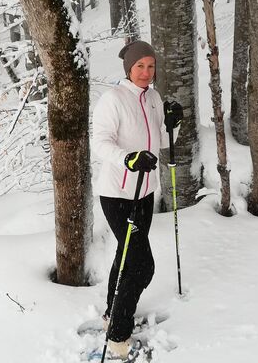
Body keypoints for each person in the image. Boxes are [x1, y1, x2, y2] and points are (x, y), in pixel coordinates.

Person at [91, 40, 182, 359]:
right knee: (142, 266)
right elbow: (100, 142)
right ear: (128, 68)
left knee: (126, 254)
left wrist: (174, 123)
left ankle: (111, 313)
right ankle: (118, 336)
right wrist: (128, 158)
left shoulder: (154, 98)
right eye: (140, 66)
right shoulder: (113, 99)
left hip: (145, 192)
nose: (146, 72)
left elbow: (162, 141)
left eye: (151, 66)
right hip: (118, 194)